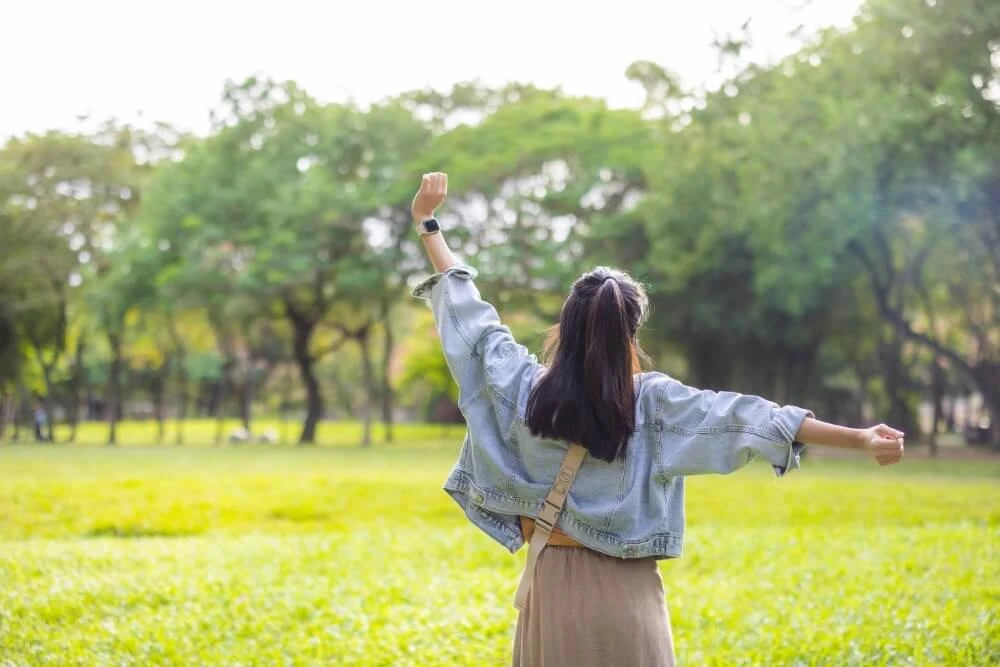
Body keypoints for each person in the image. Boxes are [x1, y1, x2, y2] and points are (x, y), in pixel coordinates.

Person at [409, 172, 905, 667]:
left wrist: (429, 224)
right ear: (629, 334)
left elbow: (469, 318)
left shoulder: (521, 386)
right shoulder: (655, 403)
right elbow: (748, 418)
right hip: (629, 597)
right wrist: (859, 438)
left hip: (551, 585)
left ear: (567, 323)